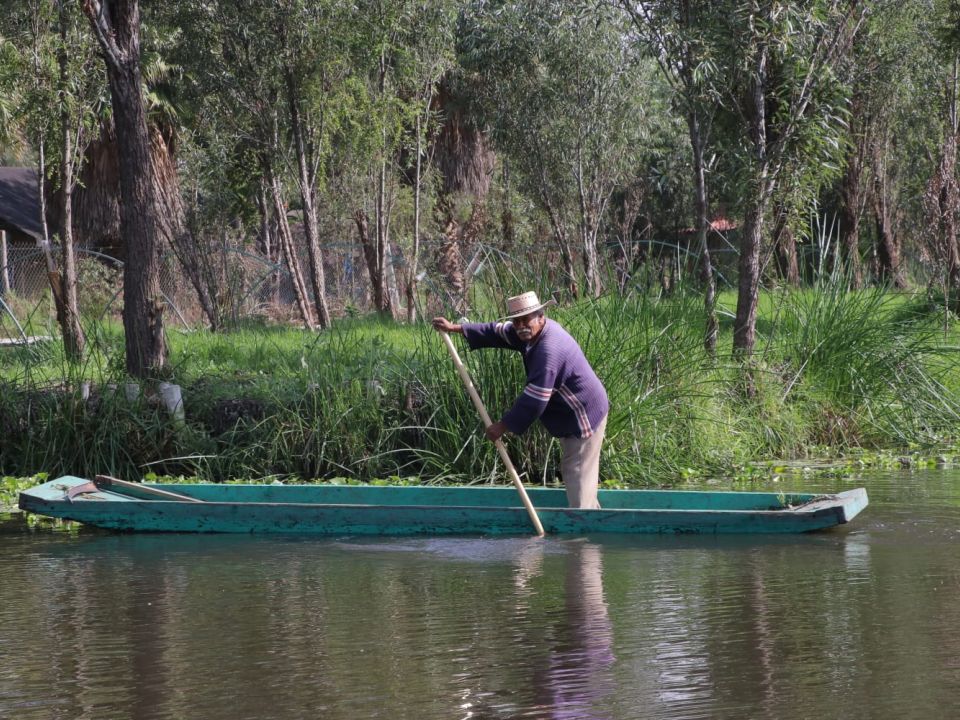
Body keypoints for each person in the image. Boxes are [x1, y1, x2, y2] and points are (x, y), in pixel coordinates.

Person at [432, 291, 609, 509]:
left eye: (526, 320)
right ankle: (589, 514)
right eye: (516, 321)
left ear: (541, 317)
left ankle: (583, 531)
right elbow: (496, 332)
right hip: (571, 411)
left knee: (577, 469)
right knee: (578, 469)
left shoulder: (549, 350)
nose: (521, 325)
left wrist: (502, 427)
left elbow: (534, 400)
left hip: (583, 413)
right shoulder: (528, 332)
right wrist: (454, 328)